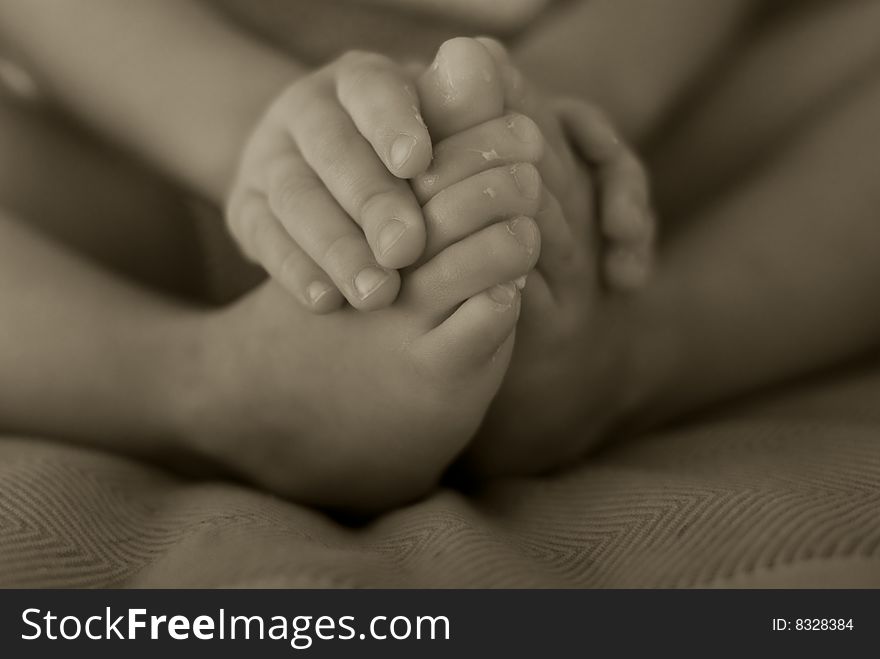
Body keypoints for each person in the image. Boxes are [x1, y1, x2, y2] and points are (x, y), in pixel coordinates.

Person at [2, 0, 880, 511]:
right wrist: (253, 135)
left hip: (611, 159)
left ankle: (630, 354)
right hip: (156, 140)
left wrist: (568, 94)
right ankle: (205, 381)